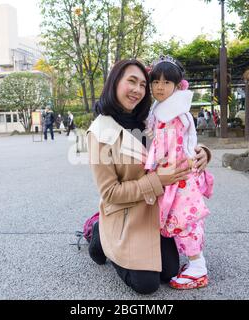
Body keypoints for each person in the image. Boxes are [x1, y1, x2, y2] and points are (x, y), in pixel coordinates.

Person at [86, 59, 211, 294]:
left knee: (170, 272)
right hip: (125, 215)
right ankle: (98, 234)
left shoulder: (150, 119)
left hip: (156, 212)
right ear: (114, 83)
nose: (138, 90)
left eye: (143, 84)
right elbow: (110, 193)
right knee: (146, 286)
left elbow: (179, 142)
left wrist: (203, 153)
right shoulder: (100, 133)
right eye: (131, 82)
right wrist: (158, 181)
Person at [145, 55, 213, 290]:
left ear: (177, 86)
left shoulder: (172, 113)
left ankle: (198, 268)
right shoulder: (166, 109)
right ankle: (195, 264)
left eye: (166, 82)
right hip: (178, 174)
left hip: (178, 176)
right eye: (155, 82)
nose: (159, 87)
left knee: (184, 221)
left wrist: (155, 168)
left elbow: (170, 147)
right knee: (182, 220)